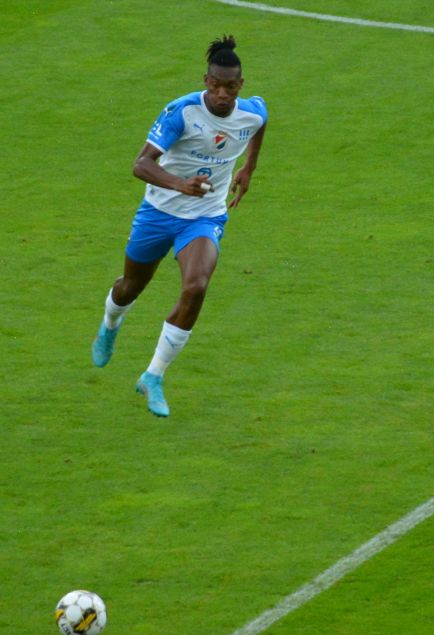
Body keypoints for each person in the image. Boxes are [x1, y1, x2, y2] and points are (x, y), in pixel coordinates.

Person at [91, 35, 267, 417]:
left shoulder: (251, 113)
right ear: (206, 81)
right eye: (216, 86)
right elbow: (141, 164)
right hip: (158, 212)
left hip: (205, 216)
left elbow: (261, 123)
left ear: (240, 85)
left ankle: (153, 376)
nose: (222, 94)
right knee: (131, 286)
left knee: (196, 286)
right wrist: (180, 184)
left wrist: (249, 167)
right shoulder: (181, 112)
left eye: (230, 88)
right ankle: (110, 323)